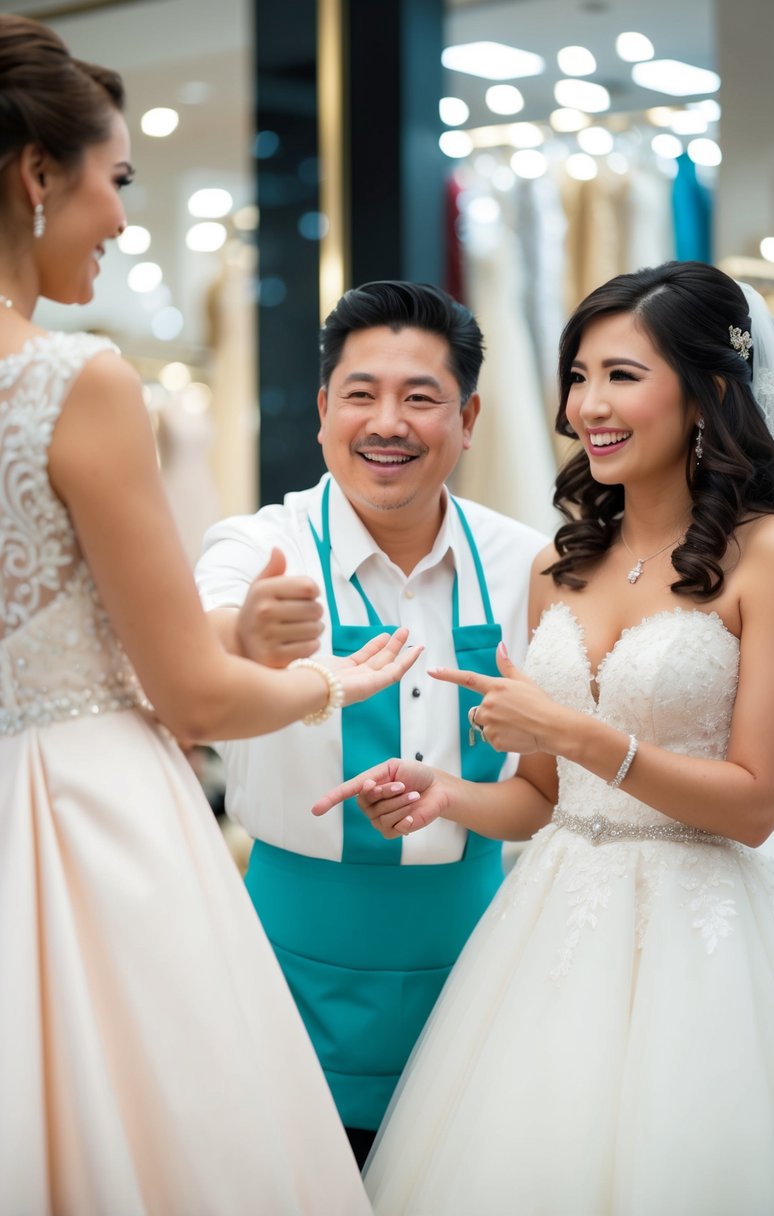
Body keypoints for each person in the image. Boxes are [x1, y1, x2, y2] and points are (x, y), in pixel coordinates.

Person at [0, 16, 422, 1214]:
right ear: (39, 175)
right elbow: (192, 695)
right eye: (113, 180)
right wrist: (336, 678)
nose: (124, 221)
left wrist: (225, 638)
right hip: (82, 821)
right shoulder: (70, 379)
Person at [313, 262, 774, 1214]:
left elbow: (755, 803)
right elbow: (543, 796)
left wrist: (583, 736)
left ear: (707, 390)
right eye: (579, 375)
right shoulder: (564, 560)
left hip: (702, 941)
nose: (588, 404)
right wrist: (445, 794)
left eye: (622, 376)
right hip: (551, 929)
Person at [194, 279, 549, 1162]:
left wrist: (457, 798)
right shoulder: (257, 546)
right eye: (361, 394)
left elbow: (545, 793)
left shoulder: (524, 566)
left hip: (475, 955)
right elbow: (195, 646)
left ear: (468, 420)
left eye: (420, 398)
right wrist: (242, 634)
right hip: (284, 958)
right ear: (322, 411)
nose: (387, 422)